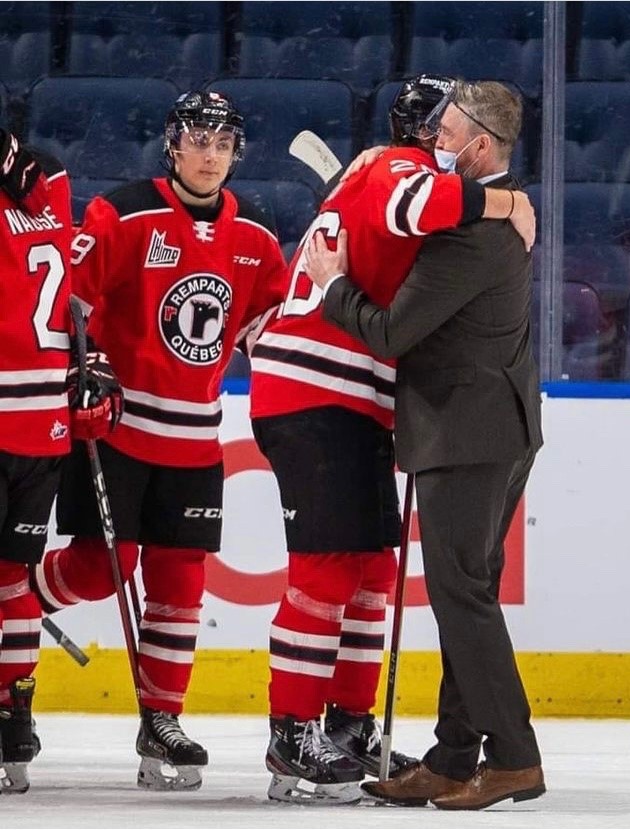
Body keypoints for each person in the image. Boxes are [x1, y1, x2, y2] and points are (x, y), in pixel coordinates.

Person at [247, 74, 536, 804]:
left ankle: (475, 752)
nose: (443, 143)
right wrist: (507, 199)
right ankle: (309, 734)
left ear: (476, 139)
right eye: (437, 130)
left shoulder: (408, 183)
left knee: (415, 584)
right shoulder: (408, 177)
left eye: (453, 132)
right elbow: (415, 220)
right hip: (341, 396)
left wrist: (336, 283)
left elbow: (395, 325)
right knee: (357, 573)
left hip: (447, 423)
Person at [31, 90, 289, 791]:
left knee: (180, 582)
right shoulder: (123, 211)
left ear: (236, 154)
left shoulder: (258, 235)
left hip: (196, 439)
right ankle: (13, 606)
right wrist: (84, 367)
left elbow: (268, 326)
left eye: (222, 144)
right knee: (94, 570)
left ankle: (161, 724)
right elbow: (66, 301)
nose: (209, 155)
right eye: (196, 141)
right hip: (117, 430)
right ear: (172, 145)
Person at [0, 127, 120, 793]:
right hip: (41, 426)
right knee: (12, 577)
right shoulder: (48, 187)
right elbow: (71, 301)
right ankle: (14, 715)